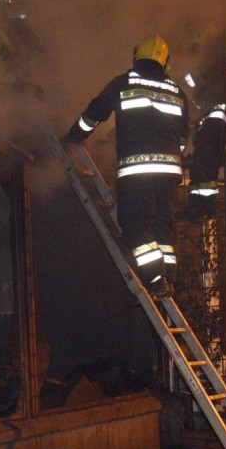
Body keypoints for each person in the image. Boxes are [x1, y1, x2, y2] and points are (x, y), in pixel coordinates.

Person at [65, 35, 189, 298]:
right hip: (169, 172)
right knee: (163, 224)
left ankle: (155, 278)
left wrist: (74, 136)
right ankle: (169, 278)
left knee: (135, 223)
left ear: (136, 58)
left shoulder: (123, 83)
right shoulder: (177, 92)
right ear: (165, 64)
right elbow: (182, 137)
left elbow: (95, 112)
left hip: (137, 169)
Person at [186, 46, 226, 219]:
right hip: (224, 123)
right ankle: (204, 206)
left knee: (202, 165)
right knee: (208, 166)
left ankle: (201, 207)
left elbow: (199, 86)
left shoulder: (214, 53)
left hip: (215, 122)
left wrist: (188, 78)